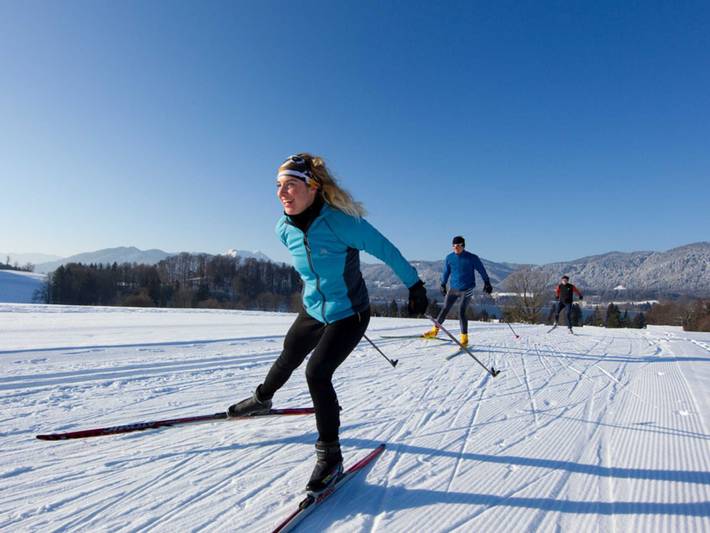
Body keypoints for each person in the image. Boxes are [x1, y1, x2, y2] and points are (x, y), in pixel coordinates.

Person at [227, 153, 428, 493]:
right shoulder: (283, 228)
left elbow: (386, 249)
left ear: (313, 187)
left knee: (317, 373)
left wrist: (415, 285)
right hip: (313, 310)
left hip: (349, 314)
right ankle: (262, 399)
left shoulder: (342, 221)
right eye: (278, 186)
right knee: (288, 355)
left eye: (290, 185)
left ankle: (331, 457)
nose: (282, 193)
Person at [422, 235, 492, 345]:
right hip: (453, 289)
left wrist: (487, 282)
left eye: (458, 246)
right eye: (453, 246)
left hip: (466, 289)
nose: (455, 248)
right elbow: (446, 272)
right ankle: (434, 331)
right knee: (445, 308)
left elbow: (481, 270)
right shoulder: (449, 258)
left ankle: (464, 338)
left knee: (461, 311)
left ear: (463, 246)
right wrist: (443, 284)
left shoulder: (472, 257)